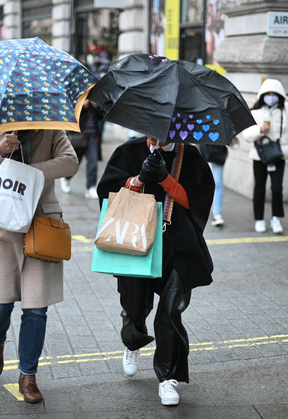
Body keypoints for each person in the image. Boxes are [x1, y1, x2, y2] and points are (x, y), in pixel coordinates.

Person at [96, 134, 215, 406]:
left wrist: (165, 179)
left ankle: (168, 377)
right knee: (134, 306)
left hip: (179, 244)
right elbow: (107, 193)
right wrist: (137, 180)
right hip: (135, 239)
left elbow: (195, 201)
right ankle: (132, 342)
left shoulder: (190, 156)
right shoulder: (128, 151)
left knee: (170, 311)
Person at [0, 125, 79, 403]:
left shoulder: (50, 126)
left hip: (40, 228)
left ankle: (28, 375)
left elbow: (70, 161)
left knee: (36, 310)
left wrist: (31, 172)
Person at [240, 79, 288, 234]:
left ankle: (276, 218)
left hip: (278, 155)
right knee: (259, 188)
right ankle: (259, 219)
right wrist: (260, 130)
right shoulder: (255, 112)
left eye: (274, 94)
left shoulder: (284, 111)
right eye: (267, 94)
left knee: (277, 188)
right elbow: (246, 135)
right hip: (260, 156)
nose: (271, 97)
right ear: (262, 96)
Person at [60, 99, 103, 198]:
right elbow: (71, 117)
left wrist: (96, 107)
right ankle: (66, 178)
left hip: (92, 137)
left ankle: (90, 187)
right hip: (79, 136)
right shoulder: (76, 97)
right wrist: (83, 107)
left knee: (93, 162)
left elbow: (102, 118)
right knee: (75, 162)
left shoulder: (96, 97)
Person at [198, 144, 229, 226]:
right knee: (200, 181)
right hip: (204, 148)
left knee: (218, 182)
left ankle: (217, 214)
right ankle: (200, 210)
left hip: (218, 150)